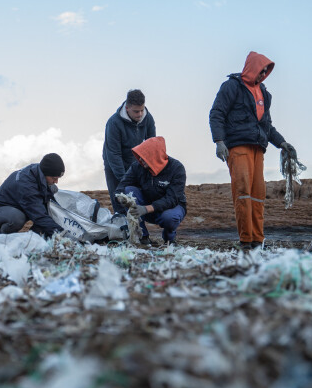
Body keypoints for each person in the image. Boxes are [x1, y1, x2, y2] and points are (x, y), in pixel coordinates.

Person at [208, 51, 297, 249]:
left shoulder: (264, 93)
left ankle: (258, 240)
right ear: (252, 67)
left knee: (258, 194)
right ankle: (246, 240)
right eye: (260, 70)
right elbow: (217, 113)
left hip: (259, 149)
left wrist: (282, 143)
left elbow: (267, 126)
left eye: (266, 71)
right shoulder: (231, 86)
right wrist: (219, 141)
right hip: (238, 147)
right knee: (243, 192)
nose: (262, 75)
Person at [115, 137, 186, 245]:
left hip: (169, 208)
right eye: (140, 157)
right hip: (144, 206)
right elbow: (122, 186)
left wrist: (146, 209)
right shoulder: (137, 167)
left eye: (144, 157)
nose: (140, 160)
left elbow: (172, 198)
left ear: (154, 156)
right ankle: (143, 236)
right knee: (128, 191)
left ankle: (169, 238)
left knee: (170, 218)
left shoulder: (176, 168)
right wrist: (121, 199)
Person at [103, 89, 156, 213]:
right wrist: (125, 180)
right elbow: (114, 154)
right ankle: (122, 226)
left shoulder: (148, 118)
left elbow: (152, 146)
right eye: (136, 111)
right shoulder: (114, 123)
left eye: (142, 110)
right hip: (114, 164)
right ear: (127, 108)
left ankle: (140, 231)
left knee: (137, 201)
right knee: (120, 202)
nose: (140, 114)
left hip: (136, 163)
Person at [0, 153, 65, 238]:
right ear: (45, 173)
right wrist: (61, 234)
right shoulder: (26, 184)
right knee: (16, 218)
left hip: (20, 206)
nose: (56, 181)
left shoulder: (40, 173)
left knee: (52, 198)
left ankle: (33, 239)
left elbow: (49, 210)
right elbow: (38, 215)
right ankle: (2, 241)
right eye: (54, 178)